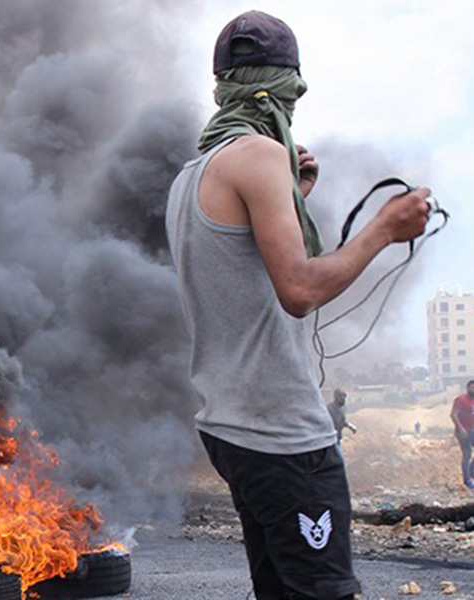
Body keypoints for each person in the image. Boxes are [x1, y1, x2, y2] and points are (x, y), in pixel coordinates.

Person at [165, 11, 430, 599]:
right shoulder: (258, 155)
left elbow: (238, 269)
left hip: (230, 426)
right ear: (282, 89)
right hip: (280, 433)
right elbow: (300, 292)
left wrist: (291, 201)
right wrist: (386, 229)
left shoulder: (193, 173)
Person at [450, 380, 474, 488]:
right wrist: (461, 428)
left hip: (472, 430)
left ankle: (472, 471)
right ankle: (467, 480)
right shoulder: (461, 400)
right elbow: (453, 414)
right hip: (462, 431)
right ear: (468, 388)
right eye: (472, 387)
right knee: (467, 454)